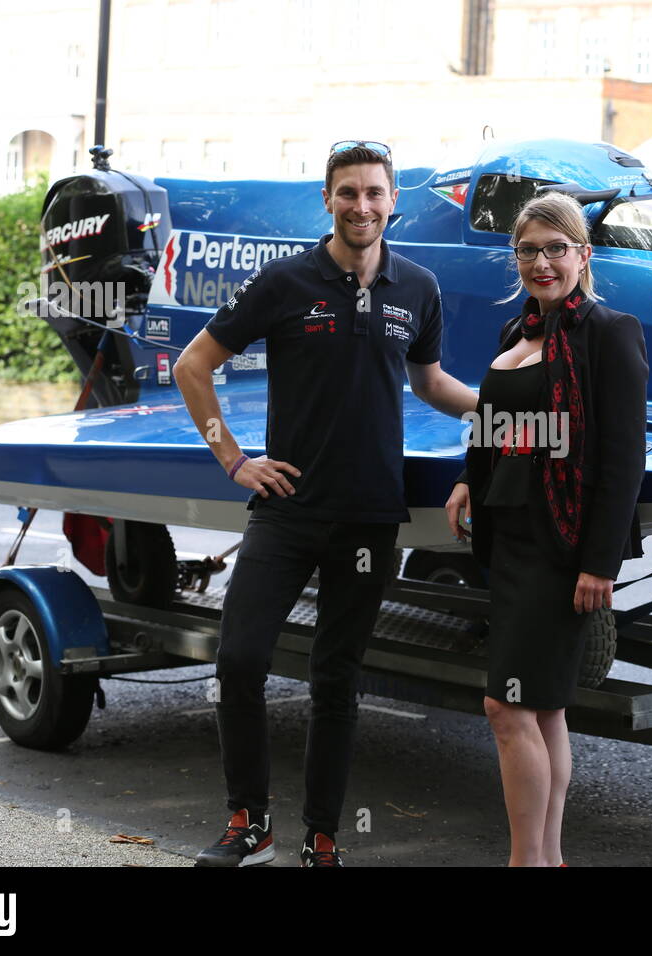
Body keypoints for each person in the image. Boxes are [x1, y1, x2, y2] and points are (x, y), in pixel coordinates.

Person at [175, 141, 477, 867]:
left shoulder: (418, 287)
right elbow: (194, 365)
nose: (362, 205)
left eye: (374, 192)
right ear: (328, 199)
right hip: (287, 510)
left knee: (335, 679)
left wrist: (506, 409)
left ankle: (321, 839)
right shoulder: (285, 282)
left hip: (371, 516)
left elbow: (431, 382)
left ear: (393, 199)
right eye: (348, 192)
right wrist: (233, 459)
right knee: (240, 660)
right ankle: (249, 821)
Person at [446, 191, 648, 866]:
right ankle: (550, 858)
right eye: (528, 250)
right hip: (509, 536)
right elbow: (493, 422)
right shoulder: (518, 333)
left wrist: (601, 562)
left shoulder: (610, 333)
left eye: (556, 248)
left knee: (505, 708)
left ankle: (525, 861)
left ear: (583, 255)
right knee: (542, 709)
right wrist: (469, 477)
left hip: (561, 546)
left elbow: (624, 457)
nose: (541, 262)